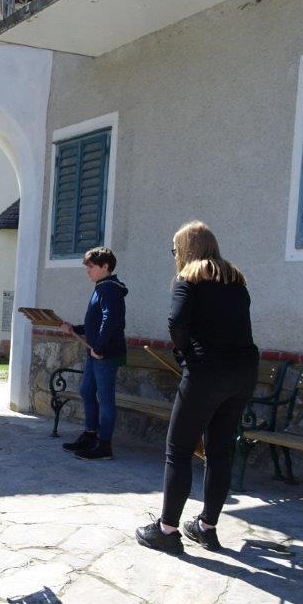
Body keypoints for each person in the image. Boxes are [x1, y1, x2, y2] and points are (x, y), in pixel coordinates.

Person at [135, 221, 258, 554]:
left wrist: (185, 353)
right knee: (220, 451)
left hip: (207, 372)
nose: (174, 255)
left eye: (175, 249)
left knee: (178, 450)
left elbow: (176, 322)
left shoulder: (187, 279)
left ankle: (167, 531)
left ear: (186, 250)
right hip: (243, 372)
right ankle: (206, 527)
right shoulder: (236, 281)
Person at [59, 246, 128, 460]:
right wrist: (75, 328)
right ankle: (90, 435)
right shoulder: (101, 287)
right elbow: (95, 323)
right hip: (96, 352)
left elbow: (110, 321)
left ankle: (104, 445)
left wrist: (99, 348)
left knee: (105, 399)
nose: (87, 270)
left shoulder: (111, 289)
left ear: (105, 266)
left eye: (91, 266)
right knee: (87, 391)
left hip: (105, 354)